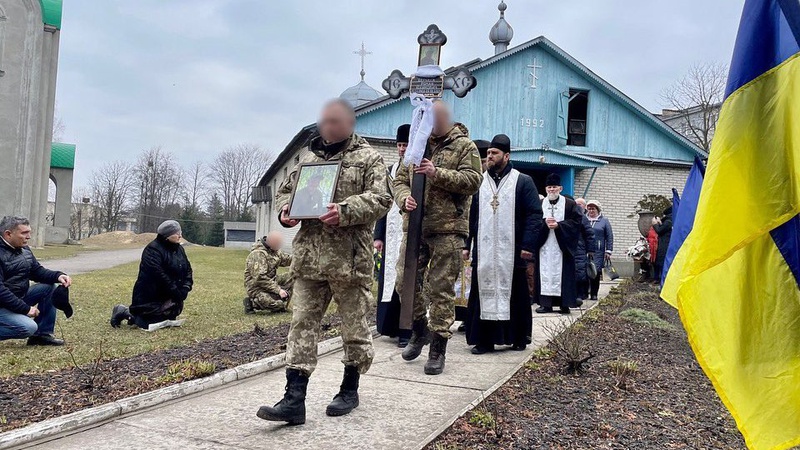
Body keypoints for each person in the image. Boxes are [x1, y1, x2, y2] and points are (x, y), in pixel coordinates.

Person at [257, 98, 392, 424]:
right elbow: (286, 192)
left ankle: (349, 389)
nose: (328, 127)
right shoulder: (309, 157)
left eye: (335, 121)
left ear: (349, 123)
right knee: (302, 325)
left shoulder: (368, 159)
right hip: (310, 259)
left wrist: (344, 211)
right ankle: (294, 399)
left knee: (354, 327)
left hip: (349, 259)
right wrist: (286, 212)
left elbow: (382, 198)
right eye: (324, 121)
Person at [394, 100, 482, 375]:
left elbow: (473, 181)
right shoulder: (416, 143)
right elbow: (398, 179)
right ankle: (420, 331)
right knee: (404, 283)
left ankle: (438, 348)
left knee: (441, 289)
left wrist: (437, 173)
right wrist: (403, 198)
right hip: (416, 227)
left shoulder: (464, 146)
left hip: (448, 228)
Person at [464, 134, 542, 354]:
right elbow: (471, 215)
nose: (489, 156)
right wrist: (466, 244)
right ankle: (483, 340)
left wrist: (527, 246)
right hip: (485, 252)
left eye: (494, 153)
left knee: (515, 295)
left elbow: (534, 215)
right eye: (488, 153)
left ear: (506, 156)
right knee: (482, 293)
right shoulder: (479, 182)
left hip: (513, 251)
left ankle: (518, 337)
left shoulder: (522, 181)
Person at [0, 216, 72, 346]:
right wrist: (25, 309)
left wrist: (58, 276)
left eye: (29, 232)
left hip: (17, 299)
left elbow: (37, 271)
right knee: (28, 327)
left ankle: (41, 336)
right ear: (8, 234)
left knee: (49, 287)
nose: (28, 237)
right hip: (2, 304)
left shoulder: (24, 249)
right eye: (24, 233)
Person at [109, 220, 193, 330]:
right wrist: (175, 291)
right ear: (167, 235)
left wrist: (185, 288)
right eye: (177, 233)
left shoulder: (179, 249)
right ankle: (124, 311)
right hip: (151, 296)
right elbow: (158, 275)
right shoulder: (152, 250)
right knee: (147, 323)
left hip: (171, 297)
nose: (180, 236)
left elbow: (187, 270)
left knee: (167, 320)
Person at [374, 124, 412, 347]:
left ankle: (406, 329)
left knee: (405, 279)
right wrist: (378, 236)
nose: (401, 149)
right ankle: (388, 326)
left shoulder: (417, 170)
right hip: (390, 231)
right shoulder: (389, 171)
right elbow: (382, 203)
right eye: (399, 145)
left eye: (405, 145)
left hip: (409, 232)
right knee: (388, 277)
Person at [535, 174, 584, 314]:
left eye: (554, 187)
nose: (551, 190)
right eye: (549, 187)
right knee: (545, 273)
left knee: (563, 274)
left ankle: (564, 304)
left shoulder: (569, 204)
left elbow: (576, 222)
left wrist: (559, 226)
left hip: (562, 246)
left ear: (560, 188)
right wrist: (544, 224)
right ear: (545, 189)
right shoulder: (540, 204)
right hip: (545, 245)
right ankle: (546, 304)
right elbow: (533, 222)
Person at [457, 138, 491, 330]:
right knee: (462, 281)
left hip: (481, 237)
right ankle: (463, 317)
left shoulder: (489, 181)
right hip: (464, 234)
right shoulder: (468, 176)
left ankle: (472, 317)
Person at [243, 231, 293, 314]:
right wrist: (278, 290)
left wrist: (302, 258)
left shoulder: (274, 250)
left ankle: (281, 300)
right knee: (276, 304)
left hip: (272, 281)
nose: (280, 245)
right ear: (271, 242)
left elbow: (287, 259)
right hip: (257, 287)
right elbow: (259, 278)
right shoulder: (258, 254)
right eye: (278, 243)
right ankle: (252, 303)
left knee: (293, 276)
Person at [586, 200, 613, 300]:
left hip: (598, 251)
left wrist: (608, 250)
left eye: (593, 208)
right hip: (585, 249)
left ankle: (594, 293)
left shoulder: (604, 221)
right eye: (589, 208)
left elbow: (609, 236)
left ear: (597, 209)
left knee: (595, 272)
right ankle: (585, 292)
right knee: (584, 271)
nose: (591, 211)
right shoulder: (585, 219)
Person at [574, 198, 595, 304]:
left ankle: (580, 294)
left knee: (580, 272)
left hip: (580, 248)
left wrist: (590, 250)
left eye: (579, 204)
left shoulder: (582, 218)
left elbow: (590, 234)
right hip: (572, 248)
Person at [652, 207, 673, 283]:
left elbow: (659, 231)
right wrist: (660, 224)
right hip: (665, 244)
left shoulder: (668, 221)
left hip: (665, 245)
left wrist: (655, 224)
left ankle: (660, 279)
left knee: (661, 262)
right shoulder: (670, 221)